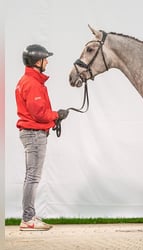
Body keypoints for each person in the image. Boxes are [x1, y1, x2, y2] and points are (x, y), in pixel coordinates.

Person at [15, 44, 69, 231]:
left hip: (32, 133)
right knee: (32, 177)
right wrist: (57, 115)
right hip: (34, 134)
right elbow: (39, 113)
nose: (47, 62)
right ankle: (28, 219)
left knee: (31, 176)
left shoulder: (28, 81)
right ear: (37, 61)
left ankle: (29, 216)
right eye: (45, 59)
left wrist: (53, 117)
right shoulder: (32, 83)